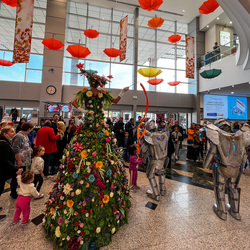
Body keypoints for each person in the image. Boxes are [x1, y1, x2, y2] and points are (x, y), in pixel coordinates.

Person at [43, 68, 131, 249]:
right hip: (98, 124)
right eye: (99, 81)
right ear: (98, 82)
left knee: (83, 146)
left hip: (90, 123)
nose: (98, 84)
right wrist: (122, 92)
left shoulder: (85, 93)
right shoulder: (100, 93)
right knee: (102, 149)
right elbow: (113, 101)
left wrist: (84, 110)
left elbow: (73, 102)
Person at [0, 126, 23, 221]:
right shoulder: (3, 144)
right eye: (11, 132)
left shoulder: (5, 142)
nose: (14, 133)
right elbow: (4, 160)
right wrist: (15, 169)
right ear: (5, 134)